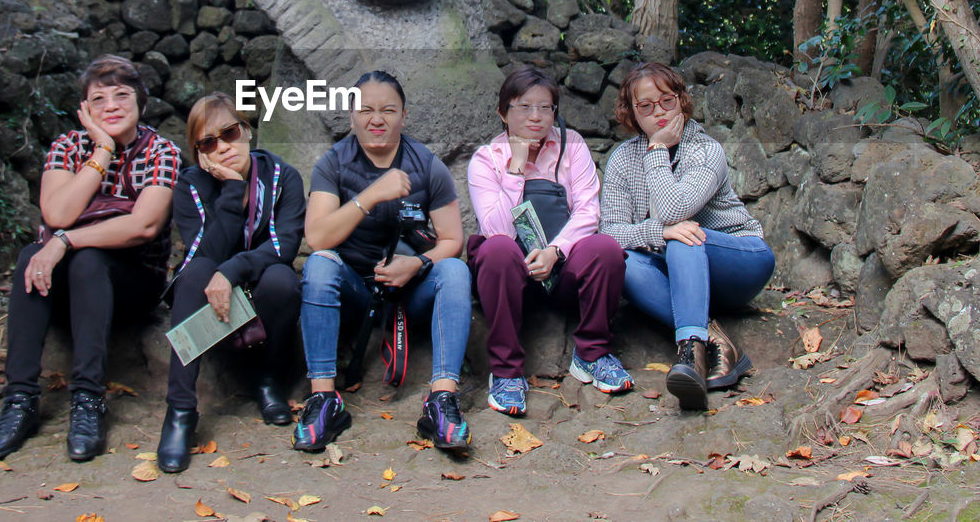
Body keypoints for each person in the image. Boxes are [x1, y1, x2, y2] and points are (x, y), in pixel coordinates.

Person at [0, 55, 181, 461]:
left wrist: (66, 242)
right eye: (99, 98)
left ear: (140, 102)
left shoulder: (162, 151)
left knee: (88, 259)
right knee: (29, 257)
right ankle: (19, 399)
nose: (111, 105)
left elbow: (143, 226)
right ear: (85, 109)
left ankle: (87, 400)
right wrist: (103, 150)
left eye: (122, 95)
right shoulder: (69, 146)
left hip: (131, 280)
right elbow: (57, 214)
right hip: (67, 284)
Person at [293, 71, 473, 453]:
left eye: (388, 110)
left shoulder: (427, 165)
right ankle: (324, 398)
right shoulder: (334, 164)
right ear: (352, 115)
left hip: (412, 290)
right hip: (357, 289)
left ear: (403, 116)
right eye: (366, 110)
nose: (377, 119)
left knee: (455, 270)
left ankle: (441, 400)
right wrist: (371, 195)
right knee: (320, 264)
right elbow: (318, 237)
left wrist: (419, 264)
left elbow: (453, 240)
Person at [598, 62, 775, 411]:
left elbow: (675, 211)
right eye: (645, 106)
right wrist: (659, 233)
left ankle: (689, 349)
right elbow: (610, 233)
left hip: (739, 260)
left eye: (666, 101)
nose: (658, 113)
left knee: (684, 235)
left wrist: (657, 151)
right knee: (623, 261)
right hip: (681, 278)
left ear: (681, 100)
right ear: (632, 114)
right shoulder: (621, 160)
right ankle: (708, 343)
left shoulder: (706, 150)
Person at [466, 67, 631, 417]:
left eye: (546, 108)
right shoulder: (486, 159)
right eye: (524, 107)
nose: (536, 117)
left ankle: (592, 354)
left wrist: (556, 252)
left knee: (606, 249)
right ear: (502, 113)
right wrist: (517, 166)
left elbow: (588, 211)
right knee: (495, 249)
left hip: (562, 268)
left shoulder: (573, 146)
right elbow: (495, 228)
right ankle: (507, 372)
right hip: (510, 274)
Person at [156, 93, 305, 473]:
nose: (223, 146)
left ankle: (268, 381)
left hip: (260, 291)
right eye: (209, 142)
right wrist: (232, 190)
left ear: (247, 131)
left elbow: (284, 245)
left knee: (282, 279)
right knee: (196, 273)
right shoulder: (190, 186)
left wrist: (233, 270)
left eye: (230, 133)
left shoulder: (281, 176)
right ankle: (180, 410)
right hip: (210, 299)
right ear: (199, 152)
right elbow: (203, 253)